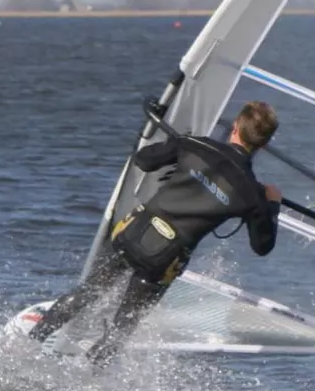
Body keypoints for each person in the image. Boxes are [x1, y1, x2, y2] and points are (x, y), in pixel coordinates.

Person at [28, 100, 284, 364]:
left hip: (132, 235)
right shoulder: (252, 195)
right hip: (163, 261)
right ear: (263, 145)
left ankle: (27, 344)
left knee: (88, 292)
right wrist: (272, 204)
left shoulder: (196, 146)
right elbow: (262, 246)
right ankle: (88, 377)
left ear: (235, 126)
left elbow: (144, 160)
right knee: (121, 329)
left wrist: (177, 143)